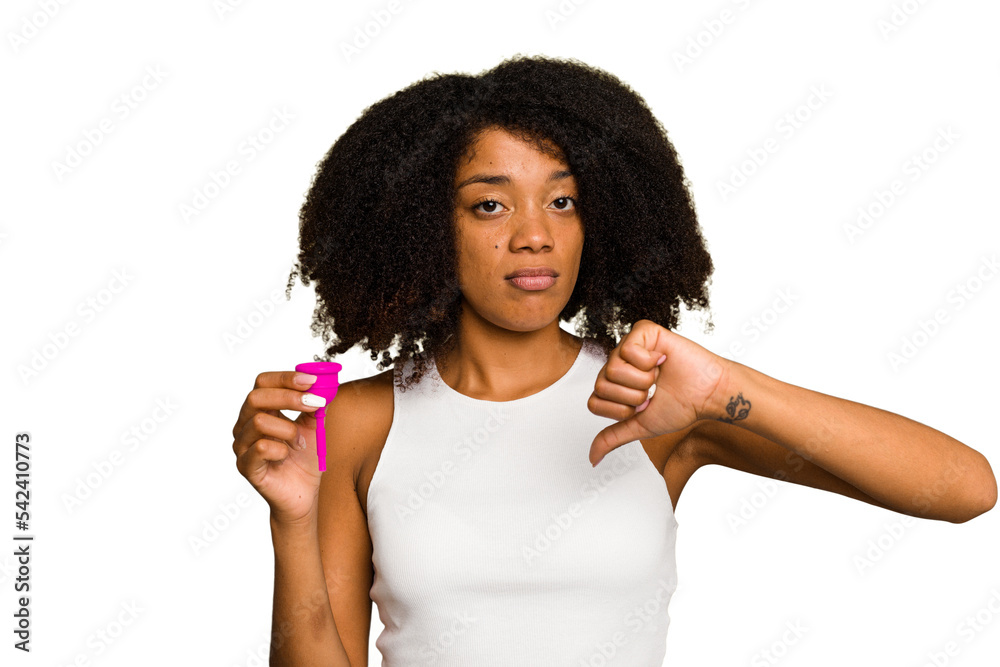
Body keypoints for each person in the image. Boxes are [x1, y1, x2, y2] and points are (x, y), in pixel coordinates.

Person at [230, 54, 997, 666]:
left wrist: (730, 388)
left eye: (562, 200)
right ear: (427, 226)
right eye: (490, 204)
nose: (535, 234)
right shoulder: (356, 423)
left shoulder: (655, 404)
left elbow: (963, 487)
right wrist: (292, 518)